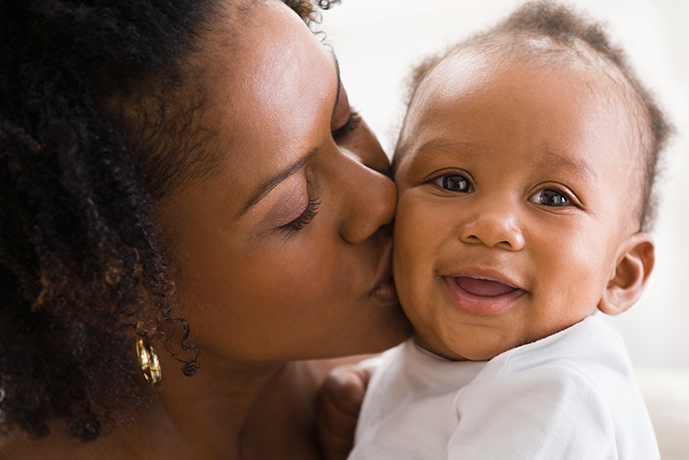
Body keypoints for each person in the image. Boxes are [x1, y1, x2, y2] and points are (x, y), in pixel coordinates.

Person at [0, 0, 410, 459]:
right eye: (296, 209)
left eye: (343, 121)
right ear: (115, 282)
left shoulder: (466, 366)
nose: (382, 198)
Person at [344, 1, 673, 458]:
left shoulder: (556, 393)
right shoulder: (445, 360)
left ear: (620, 273)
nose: (493, 227)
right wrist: (376, 392)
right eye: (454, 182)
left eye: (553, 197)